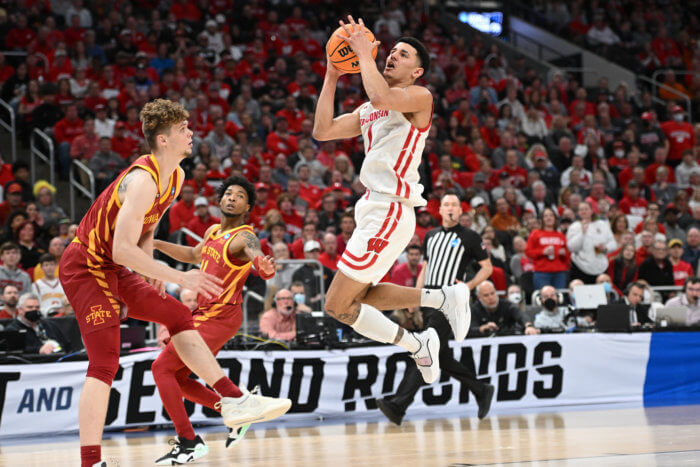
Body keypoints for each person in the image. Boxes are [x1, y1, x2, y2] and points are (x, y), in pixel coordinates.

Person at [58, 99, 277, 467]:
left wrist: (150, 270)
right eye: (183, 130)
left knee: (177, 315)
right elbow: (122, 247)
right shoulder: (141, 180)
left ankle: (233, 400)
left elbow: (146, 230)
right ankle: (90, 462)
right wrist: (174, 275)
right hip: (86, 266)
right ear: (163, 140)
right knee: (104, 363)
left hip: (115, 266)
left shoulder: (175, 176)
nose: (191, 133)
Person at [313, 20, 469, 384]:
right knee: (353, 300)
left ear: (417, 70)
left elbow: (383, 96)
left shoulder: (421, 96)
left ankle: (429, 323)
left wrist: (364, 55)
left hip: (391, 208)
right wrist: (332, 75)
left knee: (337, 305)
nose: (392, 56)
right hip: (372, 208)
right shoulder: (369, 110)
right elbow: (323, 131)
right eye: (392, 51)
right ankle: (431, 320)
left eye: (402, 54)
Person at [150, 175, 290, 463]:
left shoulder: (244, 236)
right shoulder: (214, 231)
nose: (232, 198)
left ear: (248, 206)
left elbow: (257, 256)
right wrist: (156, 244)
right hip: (207, 313)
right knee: (177, 377)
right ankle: (234, 412)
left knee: (160, 368)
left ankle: (190, 441)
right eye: (228, 193)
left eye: (239, 196)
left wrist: (263, 267)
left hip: (219, 314)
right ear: (219, 199)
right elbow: (192, 254)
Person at [376, 193, 494, 426]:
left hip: (449, 301)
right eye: (446, 205)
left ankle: (399, 405)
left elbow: (487, 267)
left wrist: (469, 286)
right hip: (429, 300)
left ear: (461, 211)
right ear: (439, 210)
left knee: (425, 350)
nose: (450, 209)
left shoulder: (469, 237)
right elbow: (425, 268)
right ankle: (481, 389)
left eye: (454, 205)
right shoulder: (430, 236)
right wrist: (414, 297)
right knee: (441, 356)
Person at [566, 202, 617, 283]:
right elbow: (571, 247)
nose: (584, 211)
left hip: (601, 266)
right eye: (581, 210)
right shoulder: (574, 227)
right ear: (578, 213)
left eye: (586, 209)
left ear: (591, 211)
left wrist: (605, 248)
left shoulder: (602, 225)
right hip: (580, 268)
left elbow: (613, 244)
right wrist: (582, 233)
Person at [5, 293, 72, 354]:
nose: (34, 310)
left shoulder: (50, 325)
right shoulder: (13, 330)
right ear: (20, 310)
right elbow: (14, 352)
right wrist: (39, 350)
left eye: (37, 307)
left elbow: (66, 345)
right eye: (30, 307)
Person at [470, 281, 540, 336]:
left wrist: (529, 326)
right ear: (479, 298)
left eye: (492, 293)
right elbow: (469, 330)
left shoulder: (506, 305)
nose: (491, 298)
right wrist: (483, 328)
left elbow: (520, 315)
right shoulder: (474, 310)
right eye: (486, 295)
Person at [525, 207, 570, 290]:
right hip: (542, 273)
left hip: (559, 273)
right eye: (546, 216)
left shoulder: (560, 235)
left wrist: (564, 253)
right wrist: (543, 252)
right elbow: (528, 252)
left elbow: (568, 255)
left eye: (551, 215)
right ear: (542, 219)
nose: (549, 218)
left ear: (555, 218)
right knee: (544, 299)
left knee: (559, 298)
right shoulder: (535, 234)